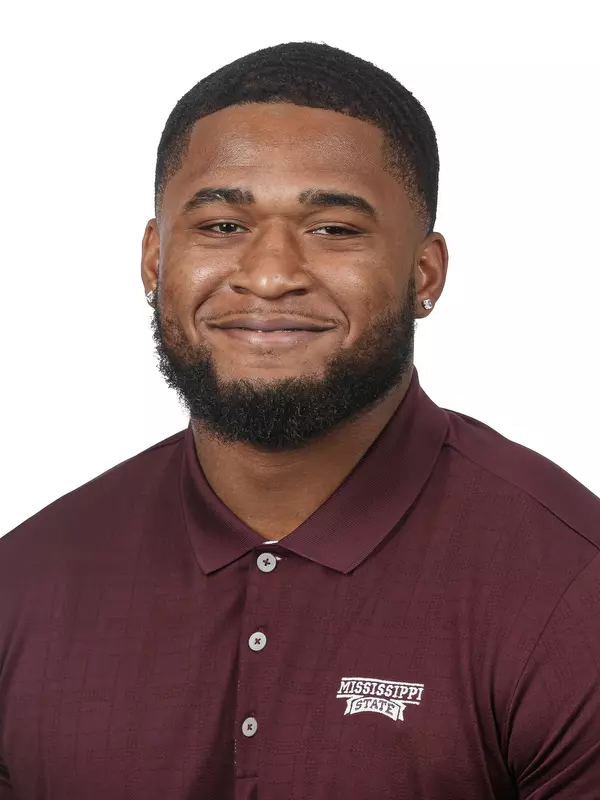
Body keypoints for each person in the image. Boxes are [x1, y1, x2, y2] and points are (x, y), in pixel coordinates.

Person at [0, 41, 598, 800]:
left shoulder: (571, 588)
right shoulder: (23, 584)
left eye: (333, 230)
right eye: (221, 226)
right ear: (155, 261)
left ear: (426, 274)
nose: (272, 274)